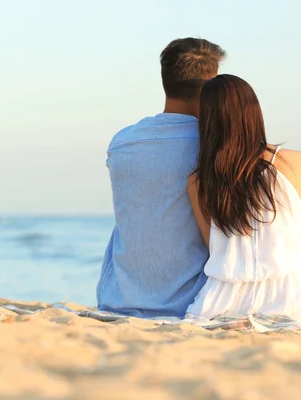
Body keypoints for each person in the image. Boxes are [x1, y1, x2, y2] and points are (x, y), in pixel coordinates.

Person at [186, 74, 301, 327]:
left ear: (206, 122)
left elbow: (214, 249)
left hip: (225, 300)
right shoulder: (297, 162)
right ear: (254, 113)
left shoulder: (198, 181)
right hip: (295, 299)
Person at [96, 38, 226, 318]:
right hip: (189, 305)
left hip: (117, 301)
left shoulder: (123, 141)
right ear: (211, 87)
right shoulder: (212, 144)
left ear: (166, 81)